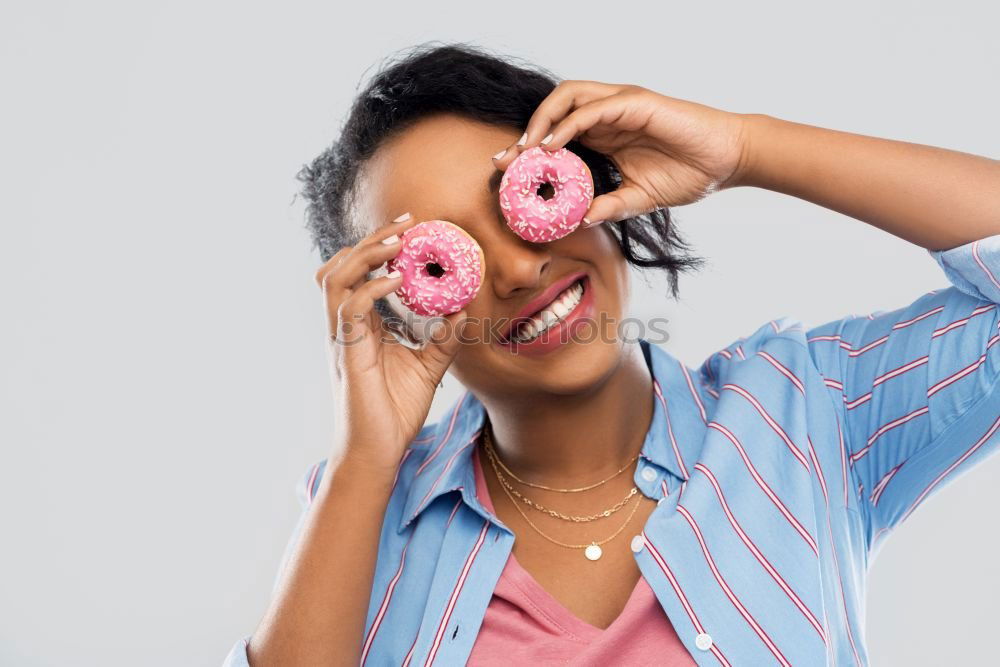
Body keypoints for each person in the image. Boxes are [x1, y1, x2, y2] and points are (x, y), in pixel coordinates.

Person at [223, 42, 1000, 666]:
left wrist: (745, 147)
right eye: (441, 257)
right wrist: (365, 462)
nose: (520, 270)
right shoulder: (362, 511)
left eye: (520, 202)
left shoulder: (807, 412)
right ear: (401, 310)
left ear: (587, 184)